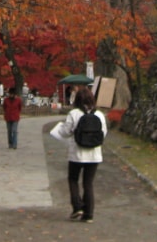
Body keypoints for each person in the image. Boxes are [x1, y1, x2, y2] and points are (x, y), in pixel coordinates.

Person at [49, 86, 107, 223]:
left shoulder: (74, 113)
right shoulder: (99, 114)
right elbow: (103, 133)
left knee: (73, 179)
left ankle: (77, 207)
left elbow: (65, 132)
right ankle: (89, 214)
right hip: (94, 153)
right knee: (88, 183)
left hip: (77, 152)